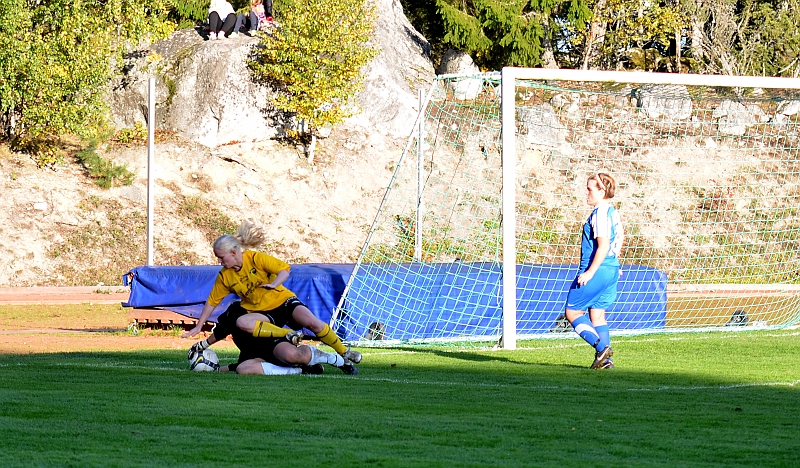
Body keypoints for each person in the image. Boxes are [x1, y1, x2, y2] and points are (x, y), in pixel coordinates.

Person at [182, 219, 362, 366]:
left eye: (221, 257)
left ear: (234, 252)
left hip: (283, 301)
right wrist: (199, 325)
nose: (220, 261)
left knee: (313, 323)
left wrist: (275, 283)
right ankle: (287, 335)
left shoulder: (255, 259)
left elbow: (284, 269)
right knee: (243, 322)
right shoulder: (225, 276)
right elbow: (212, 301)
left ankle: (345, 353)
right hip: (263, 313)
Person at [186, 299, 357, 375]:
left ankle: (337, 360)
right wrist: (203, 349)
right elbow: (221, 331)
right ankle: (301, 371)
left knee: (294, 355)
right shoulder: (235, 309)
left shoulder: (267, 305)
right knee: (243, 370)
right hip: (255, 356)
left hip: (273, 344)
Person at [564, 172, 624, 369]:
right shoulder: (613, 212)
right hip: (612, 269)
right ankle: (606, 362)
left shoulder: (599, 214)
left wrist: (590, 272)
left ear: (602, 191)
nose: (586, 193)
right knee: (597, 315)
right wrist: (615, 263)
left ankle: (600, 348)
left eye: (590, 189)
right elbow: (619, 239)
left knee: (572, 312)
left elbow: (604, 244)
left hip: (597, 269)